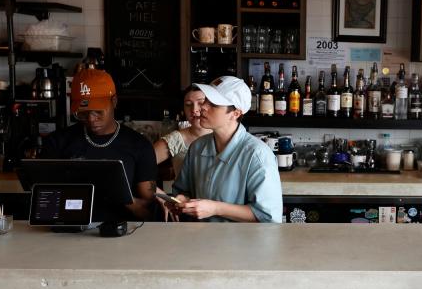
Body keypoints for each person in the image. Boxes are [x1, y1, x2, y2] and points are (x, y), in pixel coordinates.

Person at [41, 68, 157, 221]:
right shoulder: (57, 142)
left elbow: (149, 212)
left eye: (98, 112)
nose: (91, 119)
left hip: (121, 234)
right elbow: (44, 203)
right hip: (68, 230)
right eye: (83, 113)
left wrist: (122, 197)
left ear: (114, 101)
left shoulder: (139, 145)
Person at [162, 76, 282, 222]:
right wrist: (181, 200)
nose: (203, 107)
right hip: (200, 240)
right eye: (206, 100)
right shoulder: (197, 147)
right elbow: (184, 190)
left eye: (213, 104)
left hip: (241, 243)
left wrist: (215, 208)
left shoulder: (258, 155)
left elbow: (268, 217)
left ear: (235, 113)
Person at [153, 85, 211, 178]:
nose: (194, 110)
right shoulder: (176, 139)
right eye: (188, 104)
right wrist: (154, 190)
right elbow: (140, 165)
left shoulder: (222, 135)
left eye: (200, 103)